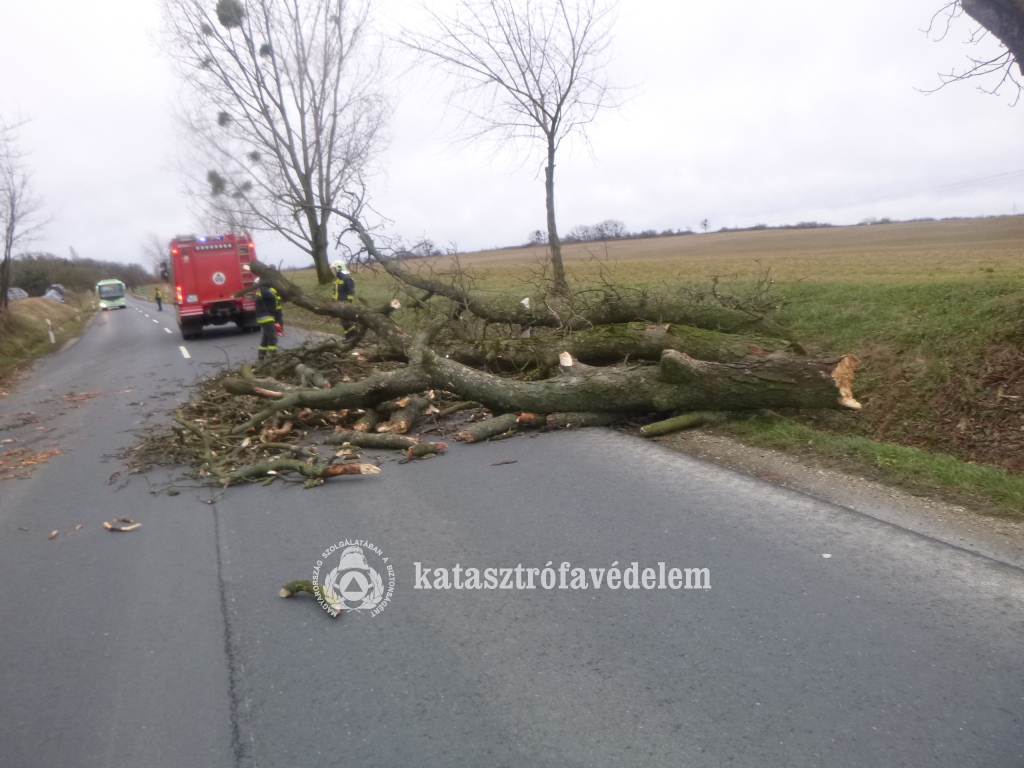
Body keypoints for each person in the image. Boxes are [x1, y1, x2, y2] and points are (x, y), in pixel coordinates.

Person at [254, 279, 283, 360]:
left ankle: (262, 354)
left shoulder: (261, 291)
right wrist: (279, 321)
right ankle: (273, 356)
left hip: (263, 317)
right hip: (267, 317)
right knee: (272, 336)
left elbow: (276, 306)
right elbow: (277, 307)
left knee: (266, 335)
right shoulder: (266, 291)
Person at [330, 260, 357, 338]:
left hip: (345, 304)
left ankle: (353, 335)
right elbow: (336, 292)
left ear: (338, 268)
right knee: (343, 321)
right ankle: (349, 336)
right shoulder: (338, 279)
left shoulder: (347, 278)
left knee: (346, 321)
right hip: (338, 303)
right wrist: (333, 300)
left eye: (334, 268)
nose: (333, 270)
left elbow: (351, 292)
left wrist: (349, 302)